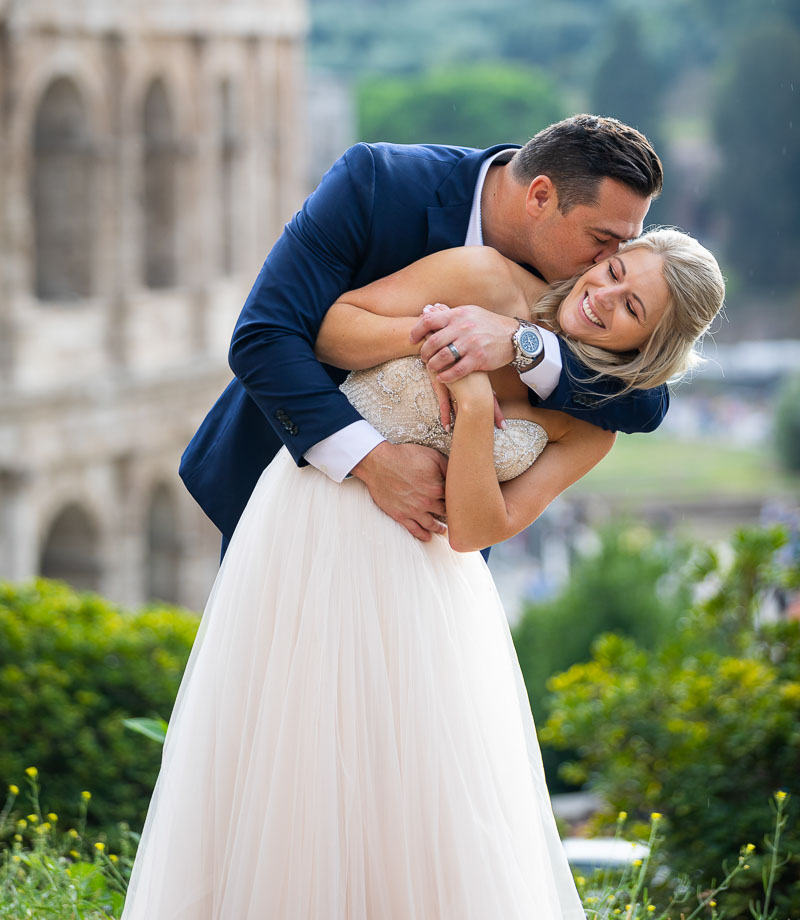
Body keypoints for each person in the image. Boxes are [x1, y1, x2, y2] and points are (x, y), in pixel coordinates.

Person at [121, 228, 724, 920]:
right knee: (291, 759)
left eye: (631, 308)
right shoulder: (485, 279)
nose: (603, 295)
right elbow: (332, 328)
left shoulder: (591, 427)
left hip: (425, 583)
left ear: (651, 345)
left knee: (411, 794)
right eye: (613, 270)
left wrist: (471, 403)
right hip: (312, 528)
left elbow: (475, 529)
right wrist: (434, 338)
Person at [180, 115, 667, 557]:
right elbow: (264, 335)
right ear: (540, 197)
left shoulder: (589, 289)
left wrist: (521, 343)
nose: (607, 265)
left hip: (430, 560)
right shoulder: (375, 183)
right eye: (602, 241)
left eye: (624, 247)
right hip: (293, 498)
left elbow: (646, 402)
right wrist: (372, 459)